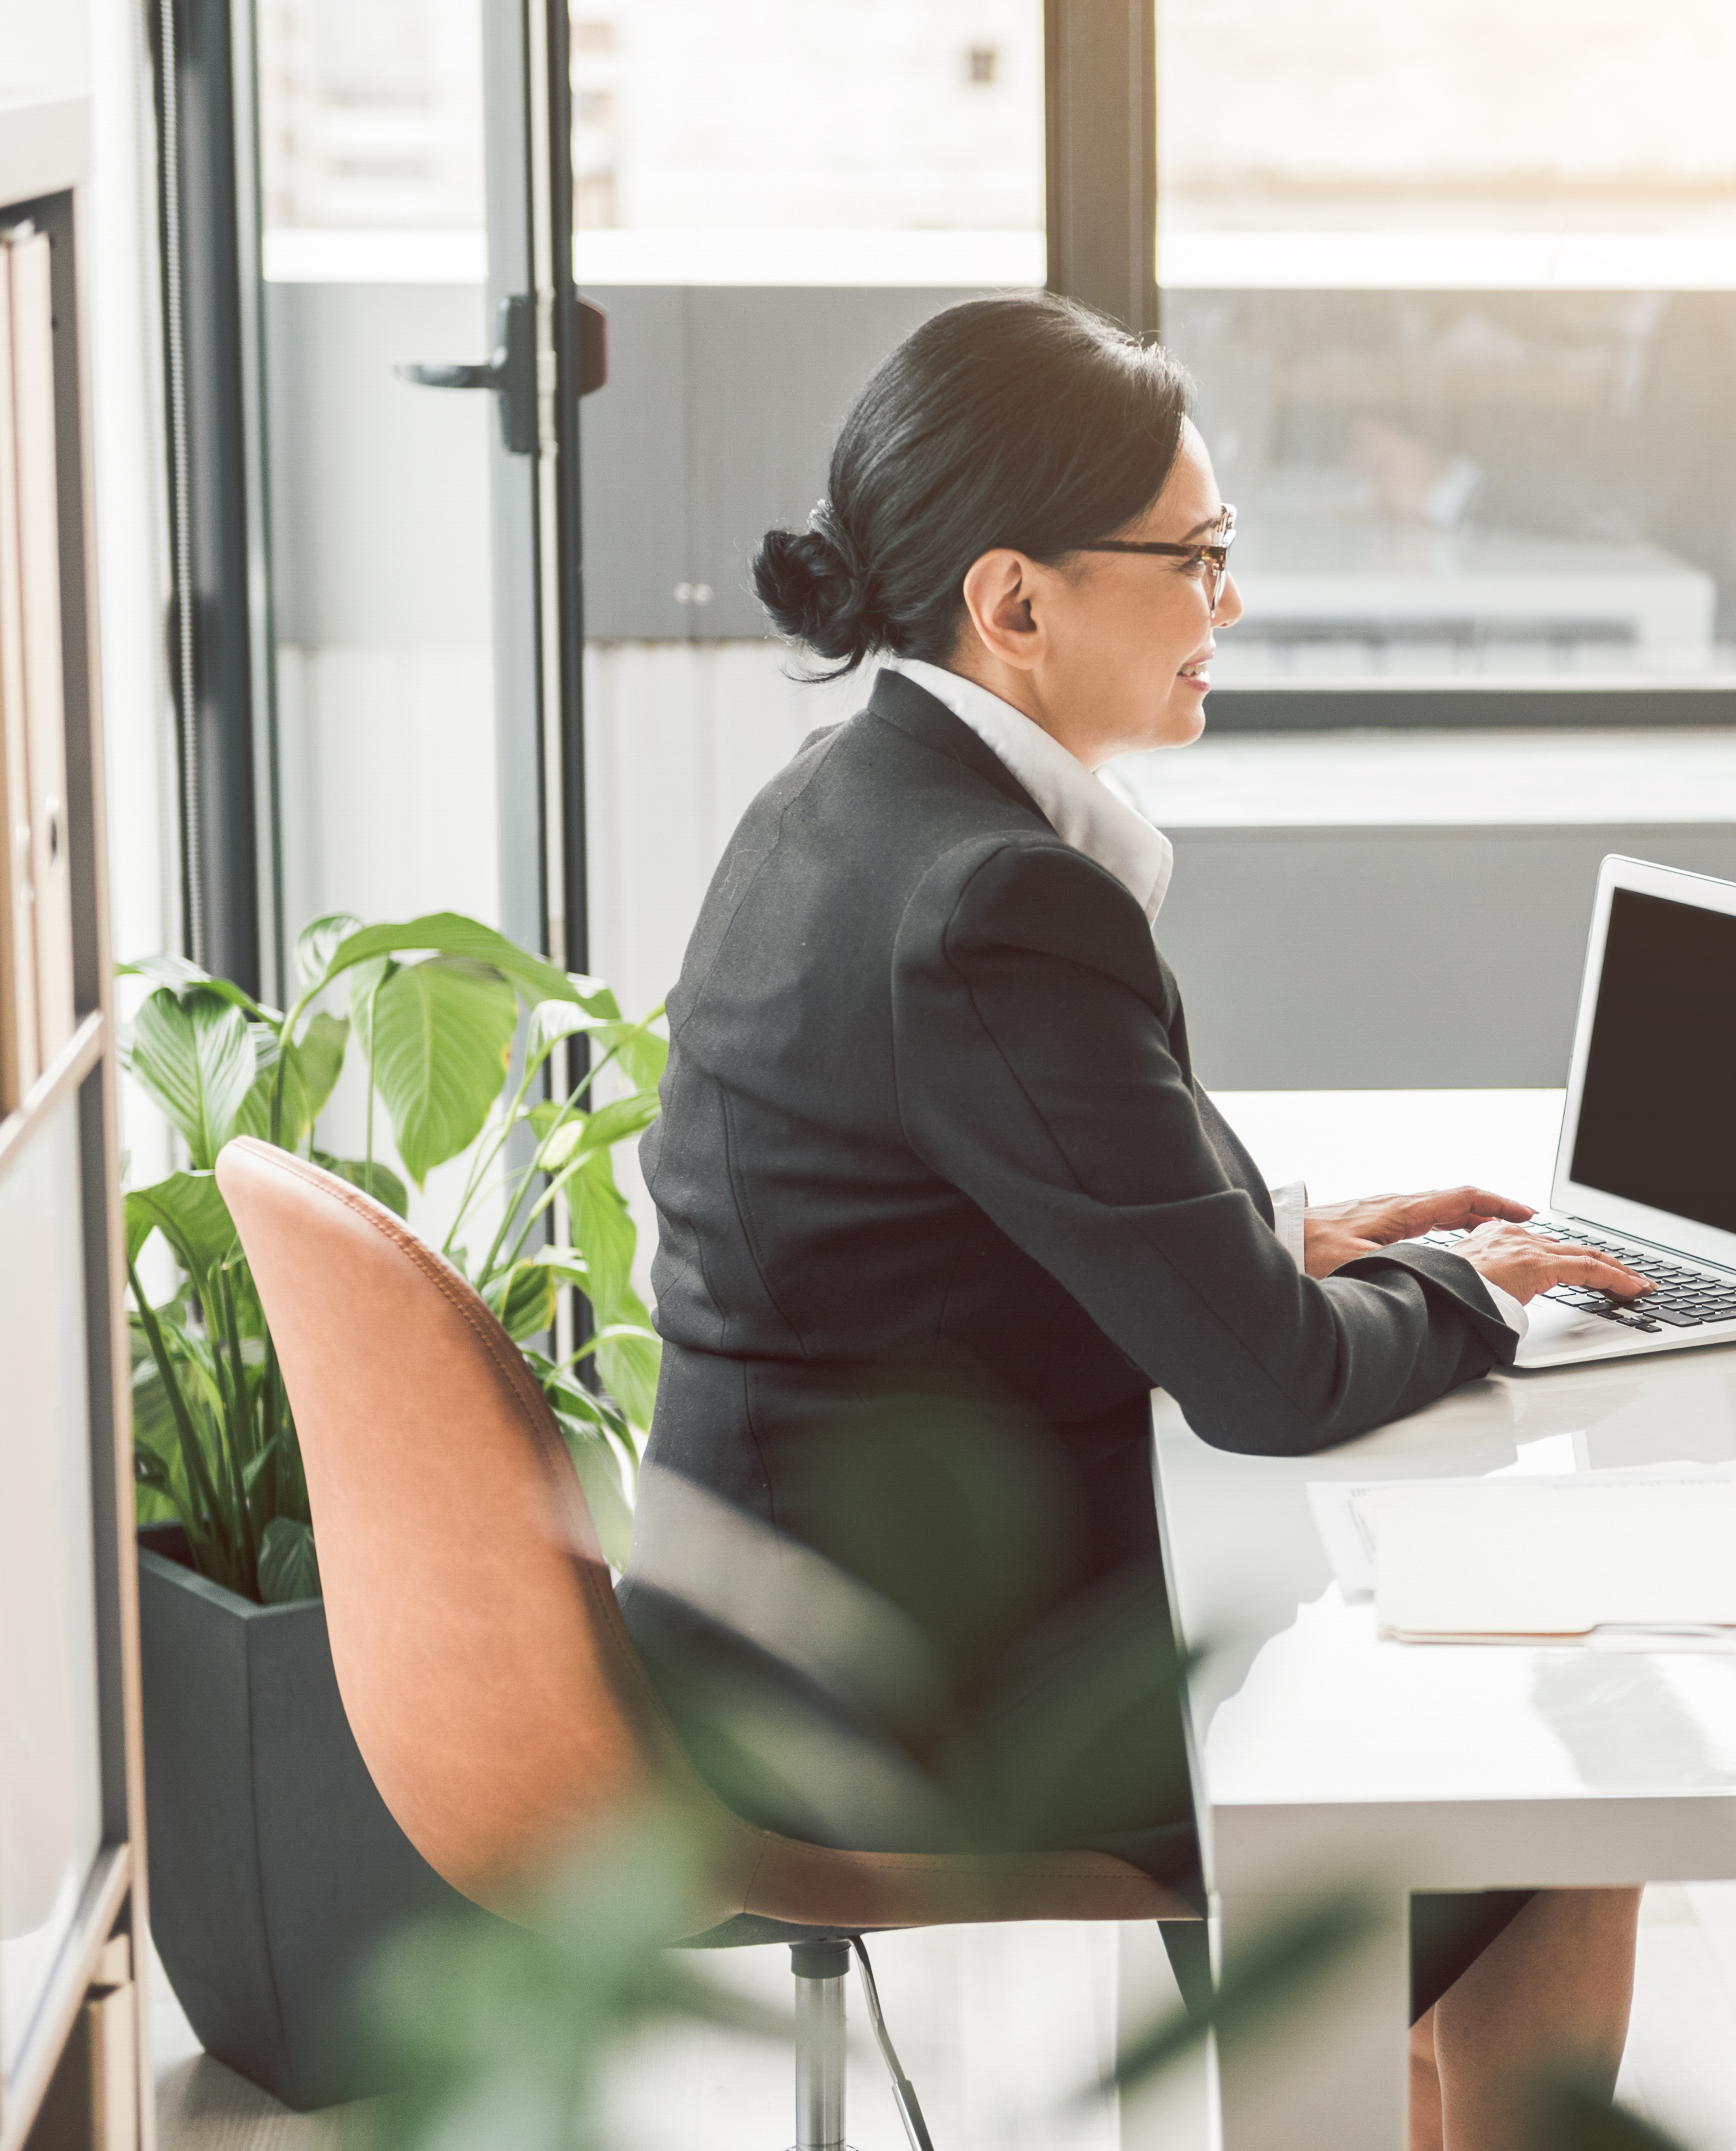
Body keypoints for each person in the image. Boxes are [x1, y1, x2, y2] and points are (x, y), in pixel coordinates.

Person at [627, 291, 1646, 2151]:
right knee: (1536, 1801)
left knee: (1425, 1709)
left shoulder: (851, 801)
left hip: (780, 1603)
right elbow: (1260, 1381)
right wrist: (1467, 1289)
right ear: (1014, 604)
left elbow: (968, 1204)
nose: (1227, 606)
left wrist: (1269, 1226)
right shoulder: (995, 895)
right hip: (894, 1684)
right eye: (1195, 558)